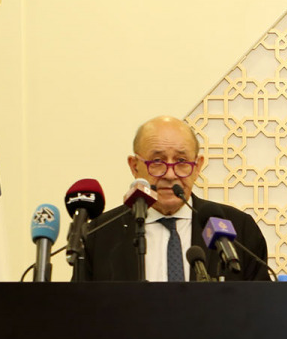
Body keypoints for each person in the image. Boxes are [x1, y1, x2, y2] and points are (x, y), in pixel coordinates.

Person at [82, 115, 271, 281]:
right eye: (157, 161)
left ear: (197, 167)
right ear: (134, 166)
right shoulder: (100, 235)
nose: (170, 175)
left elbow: (262, 309)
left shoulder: (238, 229)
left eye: (181, 162)